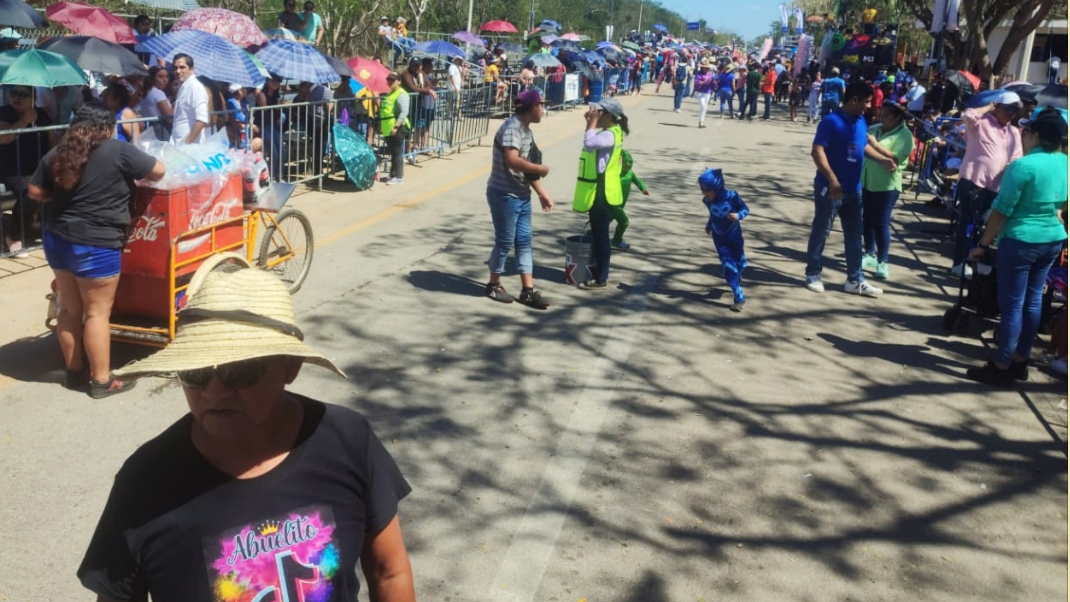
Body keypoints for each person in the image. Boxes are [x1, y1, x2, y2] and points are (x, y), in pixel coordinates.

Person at [77, 266, 416, 601]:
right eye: (194, 371)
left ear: (290, 367)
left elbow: (389, 571)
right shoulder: (145, 481)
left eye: (238, 371)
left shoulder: (348, 442)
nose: (213, 392)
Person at [27, 103, 165, 397]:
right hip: (95, 242)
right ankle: (102, 380)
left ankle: (74, 372)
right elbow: (158, 171)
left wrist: (63, 192)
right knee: (97, 313)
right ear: (105, 127)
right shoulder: (117, 150)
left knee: (70, 308)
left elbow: (35, 191)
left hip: (57, 240)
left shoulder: (60, 153)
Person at [965, 108, 1068, 387]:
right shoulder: (1065, 163)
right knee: (1033, 300)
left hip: (1022, 239)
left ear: (1035, 135)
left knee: (1012, 304)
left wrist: (983, 245)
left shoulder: (1022, 166)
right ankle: (1021, 360)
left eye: (1027, 132)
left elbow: (1001, 211)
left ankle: (1001, 365)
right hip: (1051, 238)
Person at [804, 81, 896, 297]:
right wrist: (832, 179)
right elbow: (818, 152)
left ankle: (855, 280)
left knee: (855, 235)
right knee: (821, 231)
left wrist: (881, 159)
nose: (868, 106)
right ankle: (813, 273)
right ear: (853, 100)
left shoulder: (861, 121)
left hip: (854, 191)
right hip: (831, 189)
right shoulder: (831, 122)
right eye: (865, 102)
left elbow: (861, 145)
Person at [484, 89, 553, 308]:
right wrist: (541, 168)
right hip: (504, 195)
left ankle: (528, 290)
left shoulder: (526, 130)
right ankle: (493, 285)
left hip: (521, 194)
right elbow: (513, 161)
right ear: (533, 107)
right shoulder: (512, 128)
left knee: (524, 242)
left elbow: (526, 171)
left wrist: (542, 193)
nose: (543, 109)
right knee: (505, 242)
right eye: (541, 105)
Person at [950, 92, 1024, 278]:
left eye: (1015, 109)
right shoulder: (980, 124)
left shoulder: (1014, 132)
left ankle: (973, 260)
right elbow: (967, 115)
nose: (1011, 113)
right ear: (997, 106)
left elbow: (1016, 157)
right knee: (967, 222)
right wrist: (989, 107)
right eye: (1008, 108)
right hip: (973, 181)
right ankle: (959, 263)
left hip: (995, 187)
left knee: (983, 224)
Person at [573, 97, 629, 291]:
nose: (596, 113)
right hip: (604, 190)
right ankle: (598, 273)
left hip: (602, 194)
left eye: (599, 112)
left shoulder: (610, 135)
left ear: (608, 116)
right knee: (598, 234)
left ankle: (601, 278)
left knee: (601, 236)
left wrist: (591, 124)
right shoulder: (611, 132)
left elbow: (589, 143)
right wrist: (591, 124)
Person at [860, 101, 915, 281]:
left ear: (897, 118)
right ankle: (869, 253)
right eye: (880, 115)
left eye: (886, 116)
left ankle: (883, 261)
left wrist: (875, 145)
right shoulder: (876, 128)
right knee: (867, 219)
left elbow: (896, 158)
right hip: (867, 180)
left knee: (881, 222)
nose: (881, 119)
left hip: (887, 185)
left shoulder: (905, 135)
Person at [1, 85, 54, 257]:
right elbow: (4, 137)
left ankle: (43, 226)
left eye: (23, 94)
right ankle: (14, 236)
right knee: (29, 190)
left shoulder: (42, 114)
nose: (17, 97)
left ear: (33, 98)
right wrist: (24, 120)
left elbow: (52, 138)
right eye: (14, 93)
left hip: (38, 166)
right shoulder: (4, 112)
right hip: (11, 168)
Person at [699, 168, 750, 312]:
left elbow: (746, 209)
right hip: (719, 237)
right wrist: (709, 225)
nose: (703, 193)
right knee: (728, 266)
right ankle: (739, 297)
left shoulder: (732, 196)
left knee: (739, 264)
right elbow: (713, 215)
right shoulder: (707, 200)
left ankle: (739, 269)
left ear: (716, 187)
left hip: (734, 235)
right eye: (702, 189)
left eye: (706, 190)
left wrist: (739, 215)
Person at [611, 149, 649, 250]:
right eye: (625, 164)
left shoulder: (630, 174)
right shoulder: (614, 173)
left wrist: (643, 188)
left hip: (621, 204)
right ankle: (617, 240)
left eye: (630, 164)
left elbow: (638, 181)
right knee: (624, 222)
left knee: (606, 221)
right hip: (614, 204)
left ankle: (593, 233)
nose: (627, 166)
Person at [170, 54, 210, 146]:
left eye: (182, 67)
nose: (178, 71)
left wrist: (186, 143)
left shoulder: (195, 87)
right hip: (178, 144)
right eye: (175, 68)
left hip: (189, 148)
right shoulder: (184, 86)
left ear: (192, 69)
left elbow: (201, 120)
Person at [380, 73, 409, 186]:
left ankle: (399, 176)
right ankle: (393, 173)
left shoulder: (401, 94)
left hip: (397, 126)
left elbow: (404, 111)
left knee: (397, 151)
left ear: (399, 81)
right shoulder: (390, 93)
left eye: (393, 80)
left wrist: (396, 126)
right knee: (392, 151)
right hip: (388, 126)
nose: (390, 83)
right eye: (389, 81)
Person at [139, 66, 173, 140]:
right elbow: (169, 118)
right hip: (161, 128)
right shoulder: (158, 93)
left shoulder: (146, 92)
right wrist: (176, 104)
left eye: (167, 76)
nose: (165, 80)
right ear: (152, 79)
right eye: (160, 77)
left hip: (148, 128)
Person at [693, 60, 715, 128]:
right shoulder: (698, 75)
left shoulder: (711, 74)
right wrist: (705, 82)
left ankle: (701, 122)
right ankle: (701, 121)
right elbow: (697, 84)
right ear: (702, 68)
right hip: (699, 92)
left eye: (708, 68)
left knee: (704, 107)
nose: (707, 69)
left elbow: (714, 84)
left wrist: (714, 82)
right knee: (702, 106)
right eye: (705, 68)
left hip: (707, 92)